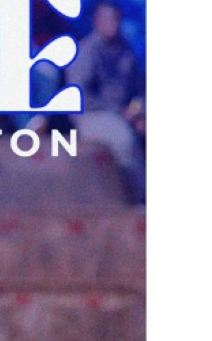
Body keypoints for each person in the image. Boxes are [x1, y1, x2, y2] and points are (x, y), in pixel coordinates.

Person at [66, 1, 145, 204]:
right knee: (123, 139)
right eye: (107, 19)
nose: (112, 24)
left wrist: (139, 112)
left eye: (115, 19)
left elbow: (139, 90)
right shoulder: (86, 51)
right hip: (91, 116)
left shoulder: (127, 50)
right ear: (97, 22)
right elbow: (78, 95)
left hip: (126, 114)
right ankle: (140, 201)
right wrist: (120, 112)